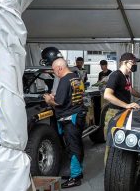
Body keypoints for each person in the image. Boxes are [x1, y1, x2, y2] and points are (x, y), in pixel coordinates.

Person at [43, 58, 86, 188]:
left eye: (55, 71)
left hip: (70, 118)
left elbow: (58, 103)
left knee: (73, 147)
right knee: (77, 144)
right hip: (78, 115)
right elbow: (72, 96)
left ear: (60, 68)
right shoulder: (75, 77)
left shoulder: (64, 80)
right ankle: (77, 172)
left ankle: (75, 177)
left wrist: (48, 100)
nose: (55, 73)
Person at [103, 52, 140, 164]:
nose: (134, 65)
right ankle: (109, 173)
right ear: (125, 62)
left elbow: (131, 90)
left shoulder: (126, 76)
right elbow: (107, 95)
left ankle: (120, 170)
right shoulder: (116, 75)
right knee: (112, 146)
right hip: (114, 113)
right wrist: (127, 105)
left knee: (122, 143)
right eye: (133, 62)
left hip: (123, 113)